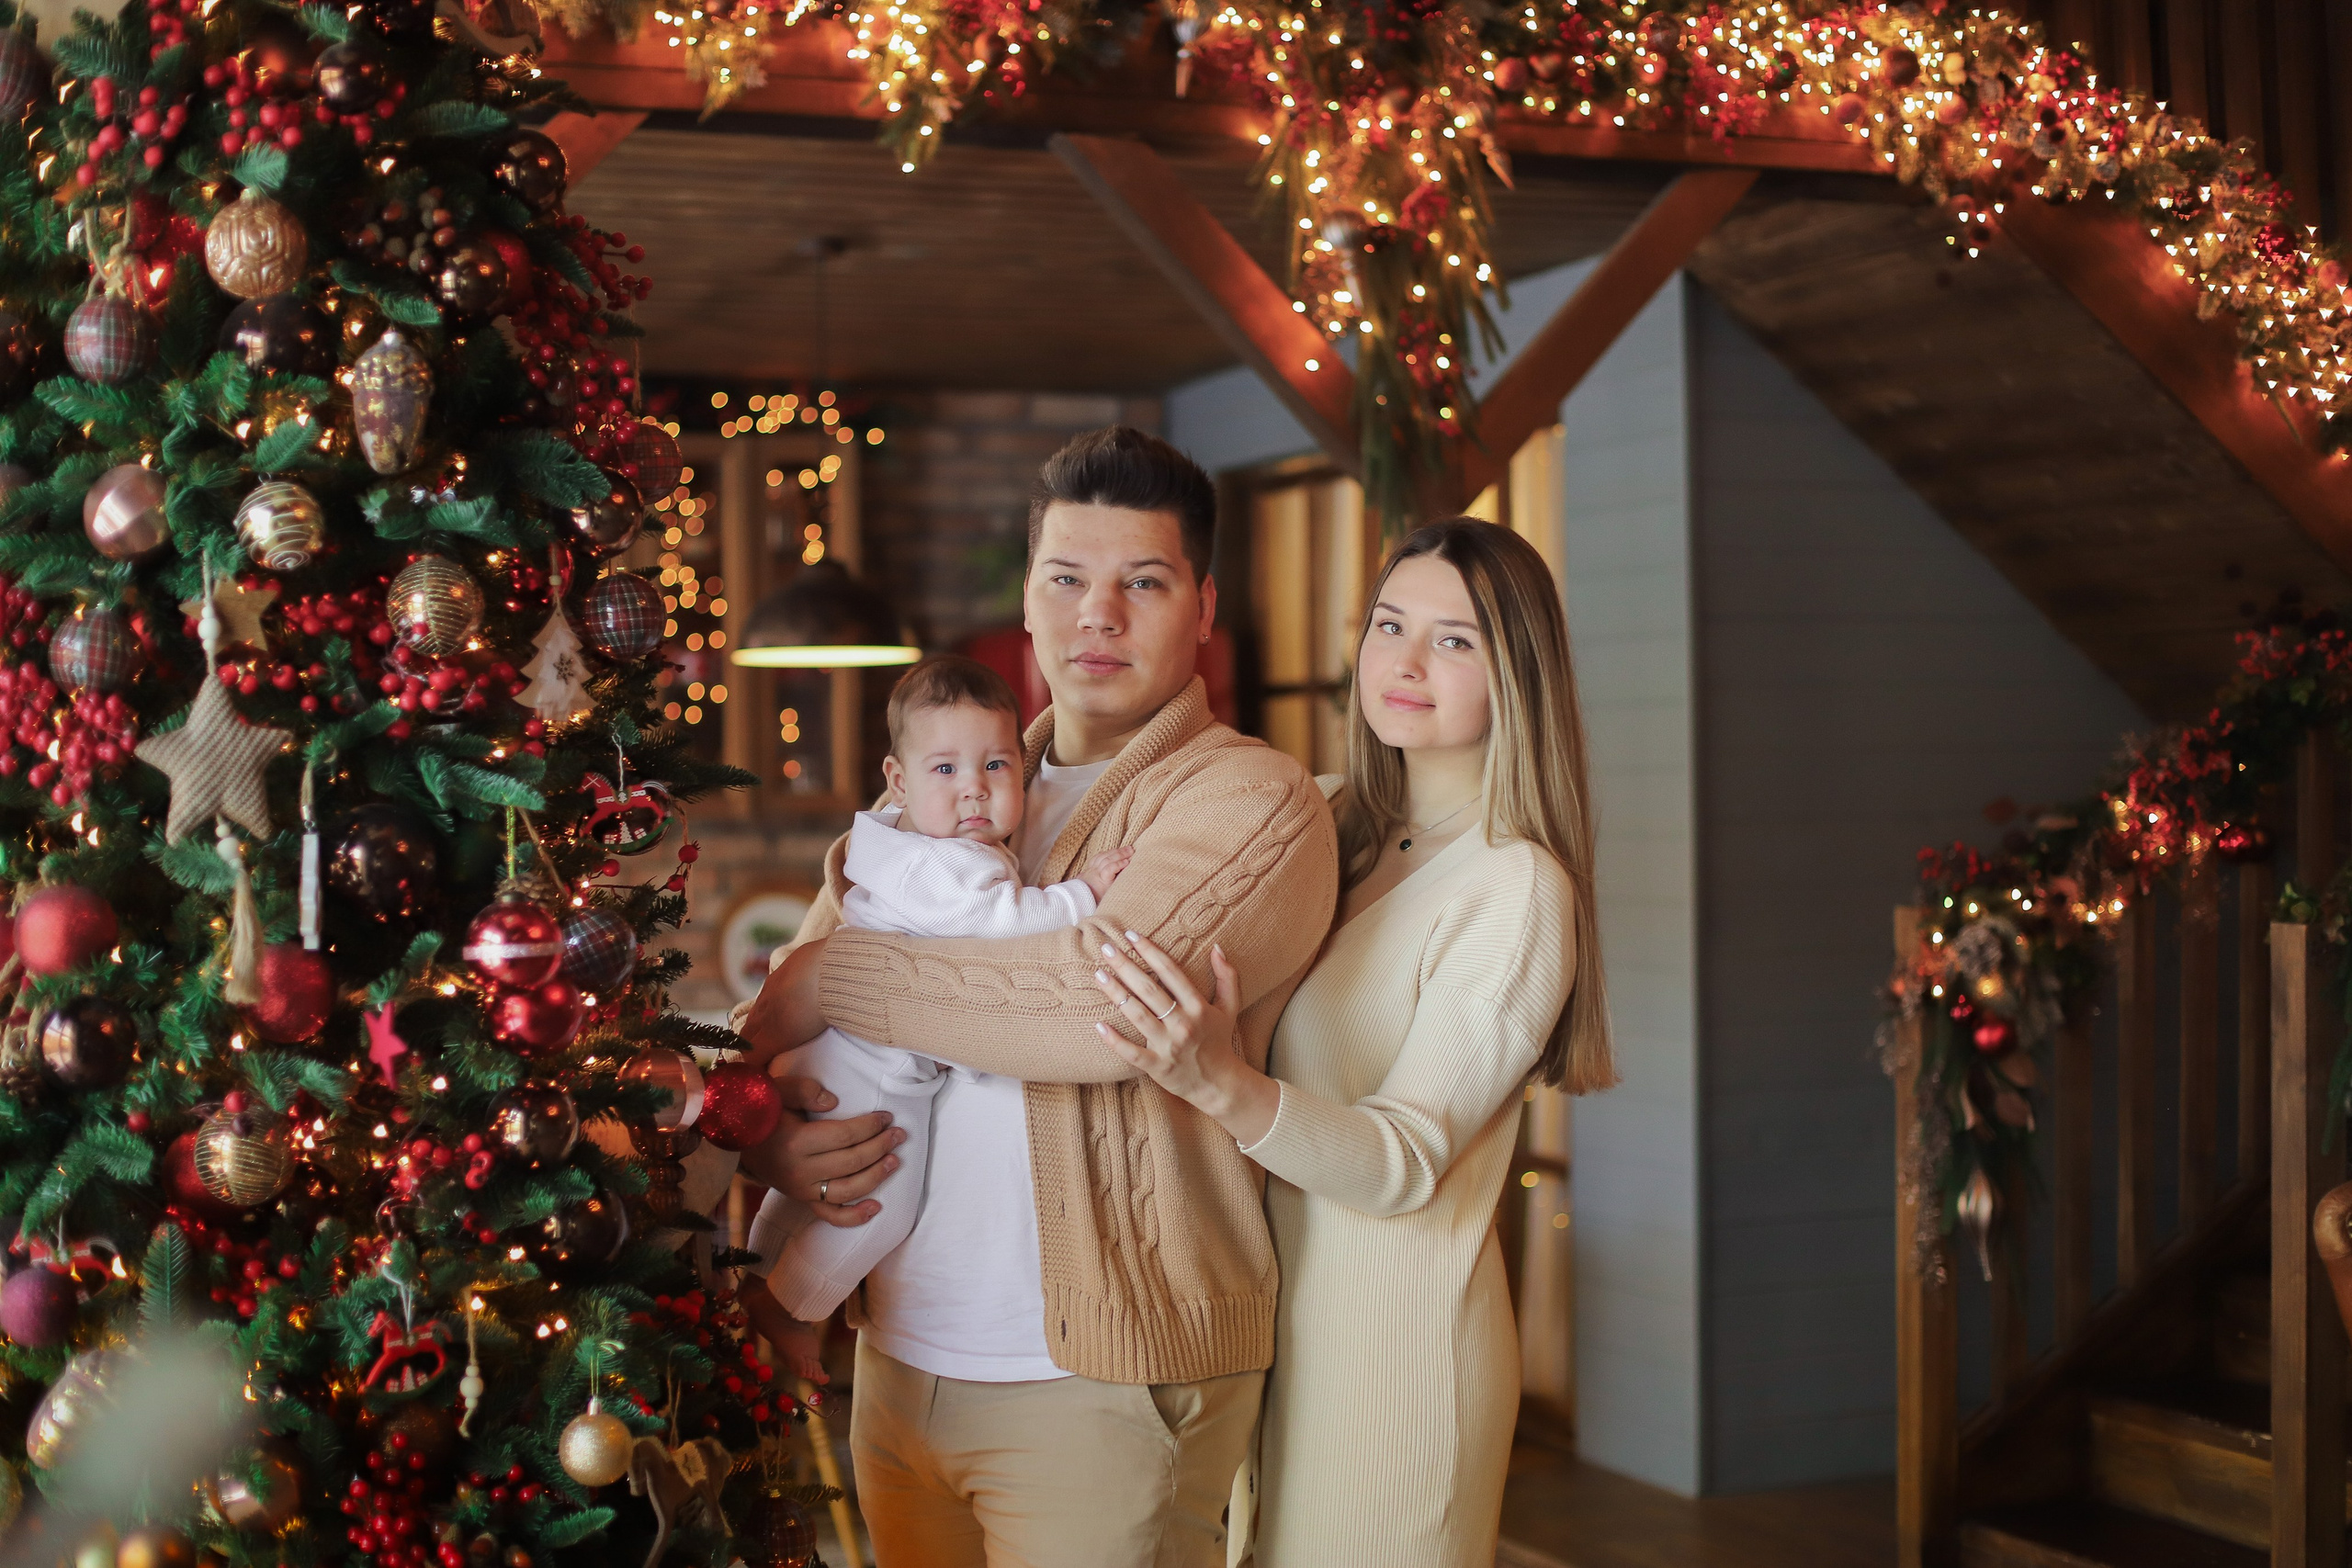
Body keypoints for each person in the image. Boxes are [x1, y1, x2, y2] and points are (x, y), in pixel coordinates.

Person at [739, 426, 1340, 1568]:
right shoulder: (948, 784)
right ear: (1027, 599)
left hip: (1102, 1386)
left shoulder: (1249, 800)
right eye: (1066, 579)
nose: (1096, 616)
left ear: (1203, 608)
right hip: (899, 1366)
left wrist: (842, 976)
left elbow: (1089, 1015)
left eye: (1142, 583)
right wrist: (771, 1140)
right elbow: (772, 1026)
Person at [1090, 518, 1617, 1567]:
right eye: (1389, 624)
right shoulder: (1325, 820)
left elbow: (1402, 1160)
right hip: (1267, 1325)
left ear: (1517, 673)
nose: (1406, 661)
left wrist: (1220, 1083)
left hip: (1396, 1352)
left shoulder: (1515, 887)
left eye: (1456, 640)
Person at [736, 654, 1131, 1380]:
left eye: (997, 766)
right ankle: (790, 1307)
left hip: (830, 1052)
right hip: (875, 1066)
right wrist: (1084, 895)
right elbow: (1000, 924)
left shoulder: (899, 846)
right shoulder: (949, 864)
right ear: (898, 780)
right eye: (945, 770)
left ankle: (756, 1269)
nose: (974, 790)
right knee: (881, 1201)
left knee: (807, 1200)